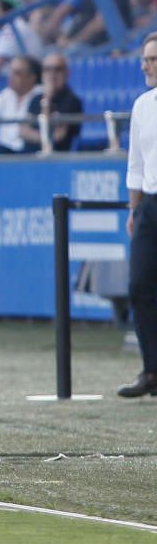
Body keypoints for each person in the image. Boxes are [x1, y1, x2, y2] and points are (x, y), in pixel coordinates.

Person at [119, 33, 157, 398]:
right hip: (149, 205)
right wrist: (134, 209)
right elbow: (137, 164)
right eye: (146, 58)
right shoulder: (142, 105)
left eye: (153, 59)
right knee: (140, 285)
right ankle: (152, 369)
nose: (146, 65)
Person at [21, 53, 83, 153]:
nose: (52, 74)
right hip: (29, 156)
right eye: (47, 69)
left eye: (57, 69)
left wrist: (47, 99)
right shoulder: (35, 99)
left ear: (66, 73)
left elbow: (59, 136)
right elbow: (23, 132)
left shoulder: (72, 101)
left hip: (57, 158)